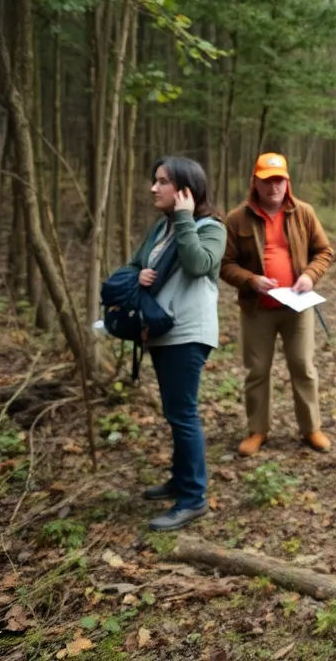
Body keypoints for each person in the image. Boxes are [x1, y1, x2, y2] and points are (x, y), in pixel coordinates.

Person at [220, 153, 336, 457]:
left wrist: (310, 276)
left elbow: (324, 251)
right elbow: (225, 264)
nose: (274, 186)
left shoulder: (304, 213)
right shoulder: (237, 218)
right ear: (255, 182)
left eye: (279, 180)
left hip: (297, 306)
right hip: (257, 309)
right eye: (267, 180)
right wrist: (251, 280)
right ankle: (258, 430)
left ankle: (311, 428)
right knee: (256, 370)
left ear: (287, 181)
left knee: (303, 366)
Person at [133, 157, 227, 532]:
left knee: (184, 414)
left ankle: (193, 499)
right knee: (175, 412)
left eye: (162, 182)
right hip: (161, 332)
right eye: (154, 181)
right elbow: (134, 263)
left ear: (186, 189)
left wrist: (186, 218)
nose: (154, 188)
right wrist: (137, 273)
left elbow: (198, 264)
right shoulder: (161, 228)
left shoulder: (211, 227)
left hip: (189, 333)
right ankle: (180, 480)